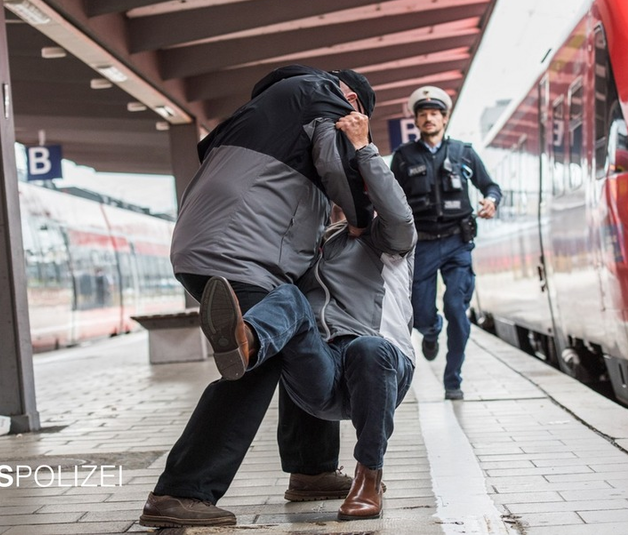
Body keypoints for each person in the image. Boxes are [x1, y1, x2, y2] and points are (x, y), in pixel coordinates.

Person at [140, 65, 377, 528]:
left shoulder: (261, 111)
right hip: (242, 252)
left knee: (300, 333)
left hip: (202, 244)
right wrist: (363, 217)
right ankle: (181, 491)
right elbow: (339, 166)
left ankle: (313, 469)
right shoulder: (327, 95)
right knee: (254, 357)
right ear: (355, 97)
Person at [197, 114, 416, 520]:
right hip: (322, 374)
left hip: (380, 365)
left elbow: (400, 217)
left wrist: (364, 148)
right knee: (289, 297)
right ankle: (246, 342)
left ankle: (369, 477)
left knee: (368, 348)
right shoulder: (310, 247)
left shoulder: (389, 241)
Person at [390, 85, 501, 401]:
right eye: (423, 114)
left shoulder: (464, 153)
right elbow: (389, 195)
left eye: (434, 114)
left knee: (456, 306)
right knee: (421, 315)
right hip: (422, 246)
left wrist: (491, 201)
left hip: (457, 242)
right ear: (416, 120)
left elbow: (490, 186)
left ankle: (453, 379)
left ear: (444, 118)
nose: (428, 119)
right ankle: (431, 331)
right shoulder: (403, 157)